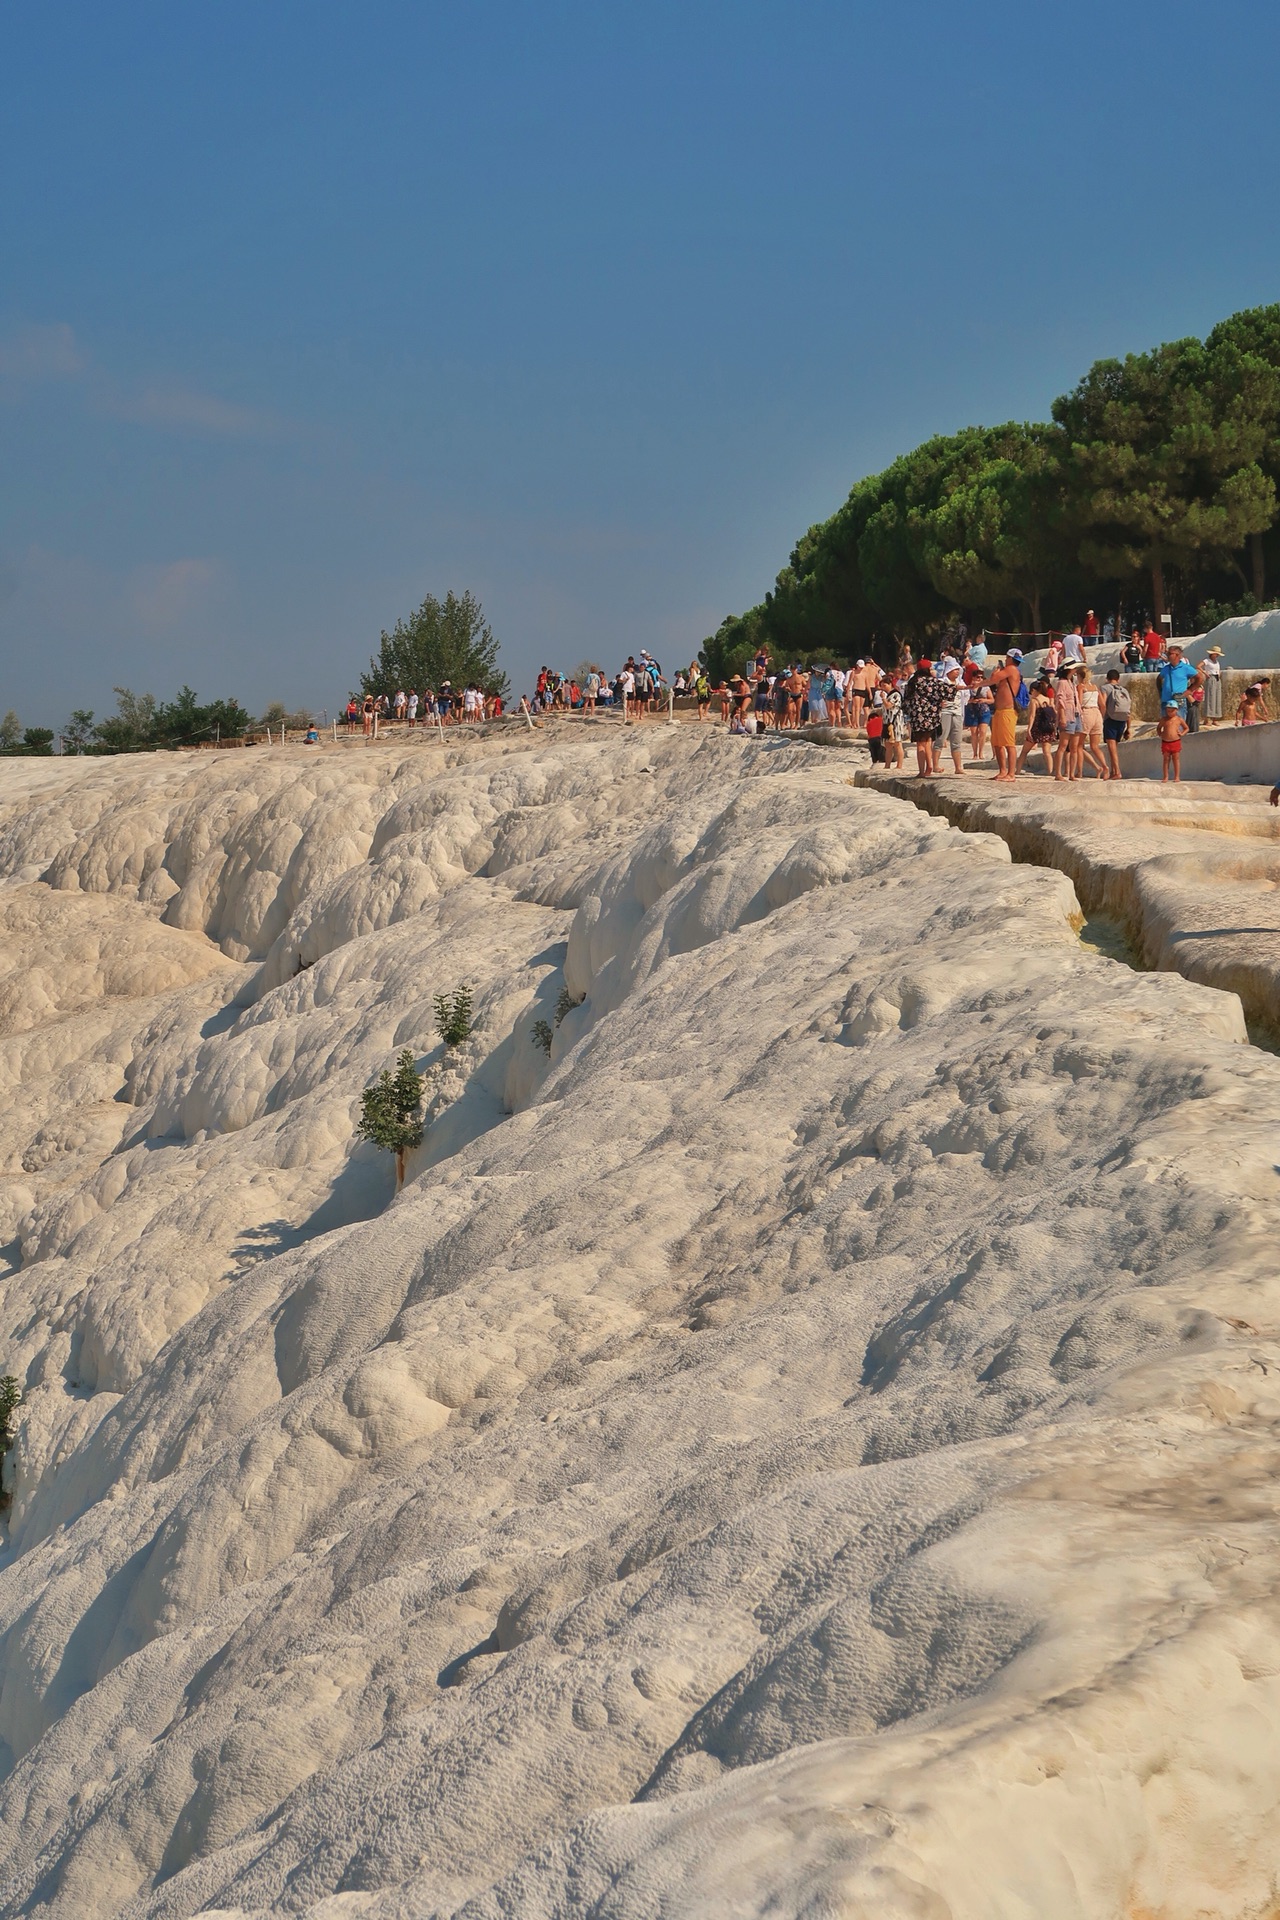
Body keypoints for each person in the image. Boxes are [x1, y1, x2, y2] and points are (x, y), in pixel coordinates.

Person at [901, 658, 945, 774]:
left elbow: (906, 700)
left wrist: (908, 713)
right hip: (931, 716)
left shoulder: (912, 682)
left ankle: (921, 771)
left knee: (920, 743)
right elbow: (946, 691)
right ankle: (929, 766)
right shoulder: (933, 681)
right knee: (929, 741)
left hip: (917, 716)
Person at [988, 652, 1022, 781]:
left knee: (1008, 743)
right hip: (1000, 710)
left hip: (1007, 710)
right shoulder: (1007, 671)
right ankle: (1002, 771)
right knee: (997, 743)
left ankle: (1011, 774)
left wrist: (996, 671)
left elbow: (993, 679)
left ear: (1009, 658)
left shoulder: (1011, 669)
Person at [1018, 675, 1057, 775]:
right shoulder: (1048, 700)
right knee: (1047, 752)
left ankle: (1017, 771)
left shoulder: (1034, 701)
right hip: (1048, 728)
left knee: (1024, 751)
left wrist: (1029, 729)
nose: (1031, 694)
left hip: (1037, 729)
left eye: (1031, 691)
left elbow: (1032, 716)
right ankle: (1050, 772)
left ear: (1035, 690)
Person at [1075, 665, 1109, 778]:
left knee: (1079, 746)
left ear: (1080, 676)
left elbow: (1079, 703)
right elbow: (1103, 705)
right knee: (1095, 746)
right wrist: (1101, 716)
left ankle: (1080, 772)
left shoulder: (1080, 687)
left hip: (1087, 712)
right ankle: (1105, 767)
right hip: (1097, 714)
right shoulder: (1095, 687)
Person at [1052, 667, 1082, 780]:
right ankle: (1058, 773)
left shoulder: (1072, 682)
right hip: (1068, 714)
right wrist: (1062, 716)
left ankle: (1071, 774)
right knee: (1063, 745)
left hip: (1076, 713)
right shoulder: (1062, 683)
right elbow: (1060, 700)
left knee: (1074, 747)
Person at [1101, 669, 1131, 780]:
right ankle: (1114, 771)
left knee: (1111, 748)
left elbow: (1103, 704)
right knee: (1114, 748)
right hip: (1122, 720)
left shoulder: (1105, 688)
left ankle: (1117, 772)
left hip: (1110, 719)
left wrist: (1101, 718)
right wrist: (1129, 727)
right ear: (1118, 679)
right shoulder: (1124, 690)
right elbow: (1128, 709)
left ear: (1107, 678)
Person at [938, 665, 967, 773]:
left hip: (958, 713)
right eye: (955, 670)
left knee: (956, 741)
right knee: (941, 739)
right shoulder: (942, 682)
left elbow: (966, 695)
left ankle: (958, 767)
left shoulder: (961, 682)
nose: (957, 672)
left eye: (958, 670)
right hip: (945, 712)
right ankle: (935, 765)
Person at [1156, 644, 1193, 717]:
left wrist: (1190, 690)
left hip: (1179, 701)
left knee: (1179, 724)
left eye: (1170, 653)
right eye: (1168, 653)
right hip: (1166, 700)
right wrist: (1161, 691)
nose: (1168, 655)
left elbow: (1199, 678)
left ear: (1177, 655)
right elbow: (1159, 679)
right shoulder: (1166, 668)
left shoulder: (1186, 668)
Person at [1159, 702, 1188, 781]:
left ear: (1176, 710)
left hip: (1175, 741)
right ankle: (1165, 776)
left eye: (1172, 711)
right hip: (1165, 742)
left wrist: (1182, 734)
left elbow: (1186, 728)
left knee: (1176, 759)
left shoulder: (1179, 719)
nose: (1170, 713)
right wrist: (1160, 734)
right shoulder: (1164, 719)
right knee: (1166, 759)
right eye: (1168, 711)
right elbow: (1159, 728)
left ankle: (1177, 777)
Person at [1198, 644, 1224, 723]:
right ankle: (1207, 718)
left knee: (1217, 698)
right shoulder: (1207, 660)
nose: (1217, 656)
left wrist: (1219, 673)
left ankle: (1215, 718)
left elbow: (1217, 669)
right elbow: (1198, 666)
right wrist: (1205, 673)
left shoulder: (1216, 661)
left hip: (1217, 679)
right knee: (1210, 698)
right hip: (1211, 678)